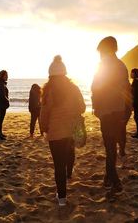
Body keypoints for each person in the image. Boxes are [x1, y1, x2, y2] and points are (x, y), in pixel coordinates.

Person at [40, 55, 86, 206]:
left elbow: (44, 113)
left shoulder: (48, 91)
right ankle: (69, 173)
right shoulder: (74, 88)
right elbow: (82, 108)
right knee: (70, 153)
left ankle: (61, 198)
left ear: (51, 75)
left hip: (55, 133)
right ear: (65, 73)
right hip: (71, 131)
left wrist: (44, 128)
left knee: (58, 165)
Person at [91, 36, 132, 195]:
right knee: (112, 145)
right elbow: (127, 89)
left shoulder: (103, 66)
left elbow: (95, 87)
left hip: (107, 111)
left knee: (109, 146)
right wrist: (128, 109)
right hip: (119, 110)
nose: (100, 54)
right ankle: (108, 178)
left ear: (105, 49)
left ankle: (115, 181)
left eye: (101, 51)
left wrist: (95, 106)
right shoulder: (122, 65)